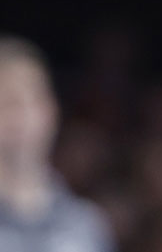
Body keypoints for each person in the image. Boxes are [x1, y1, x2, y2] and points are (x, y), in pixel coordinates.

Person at [0, 36, 115, 252]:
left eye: (33, 99)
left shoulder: (86, 225)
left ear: (52, 109)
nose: (23, 115)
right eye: (7, 101)